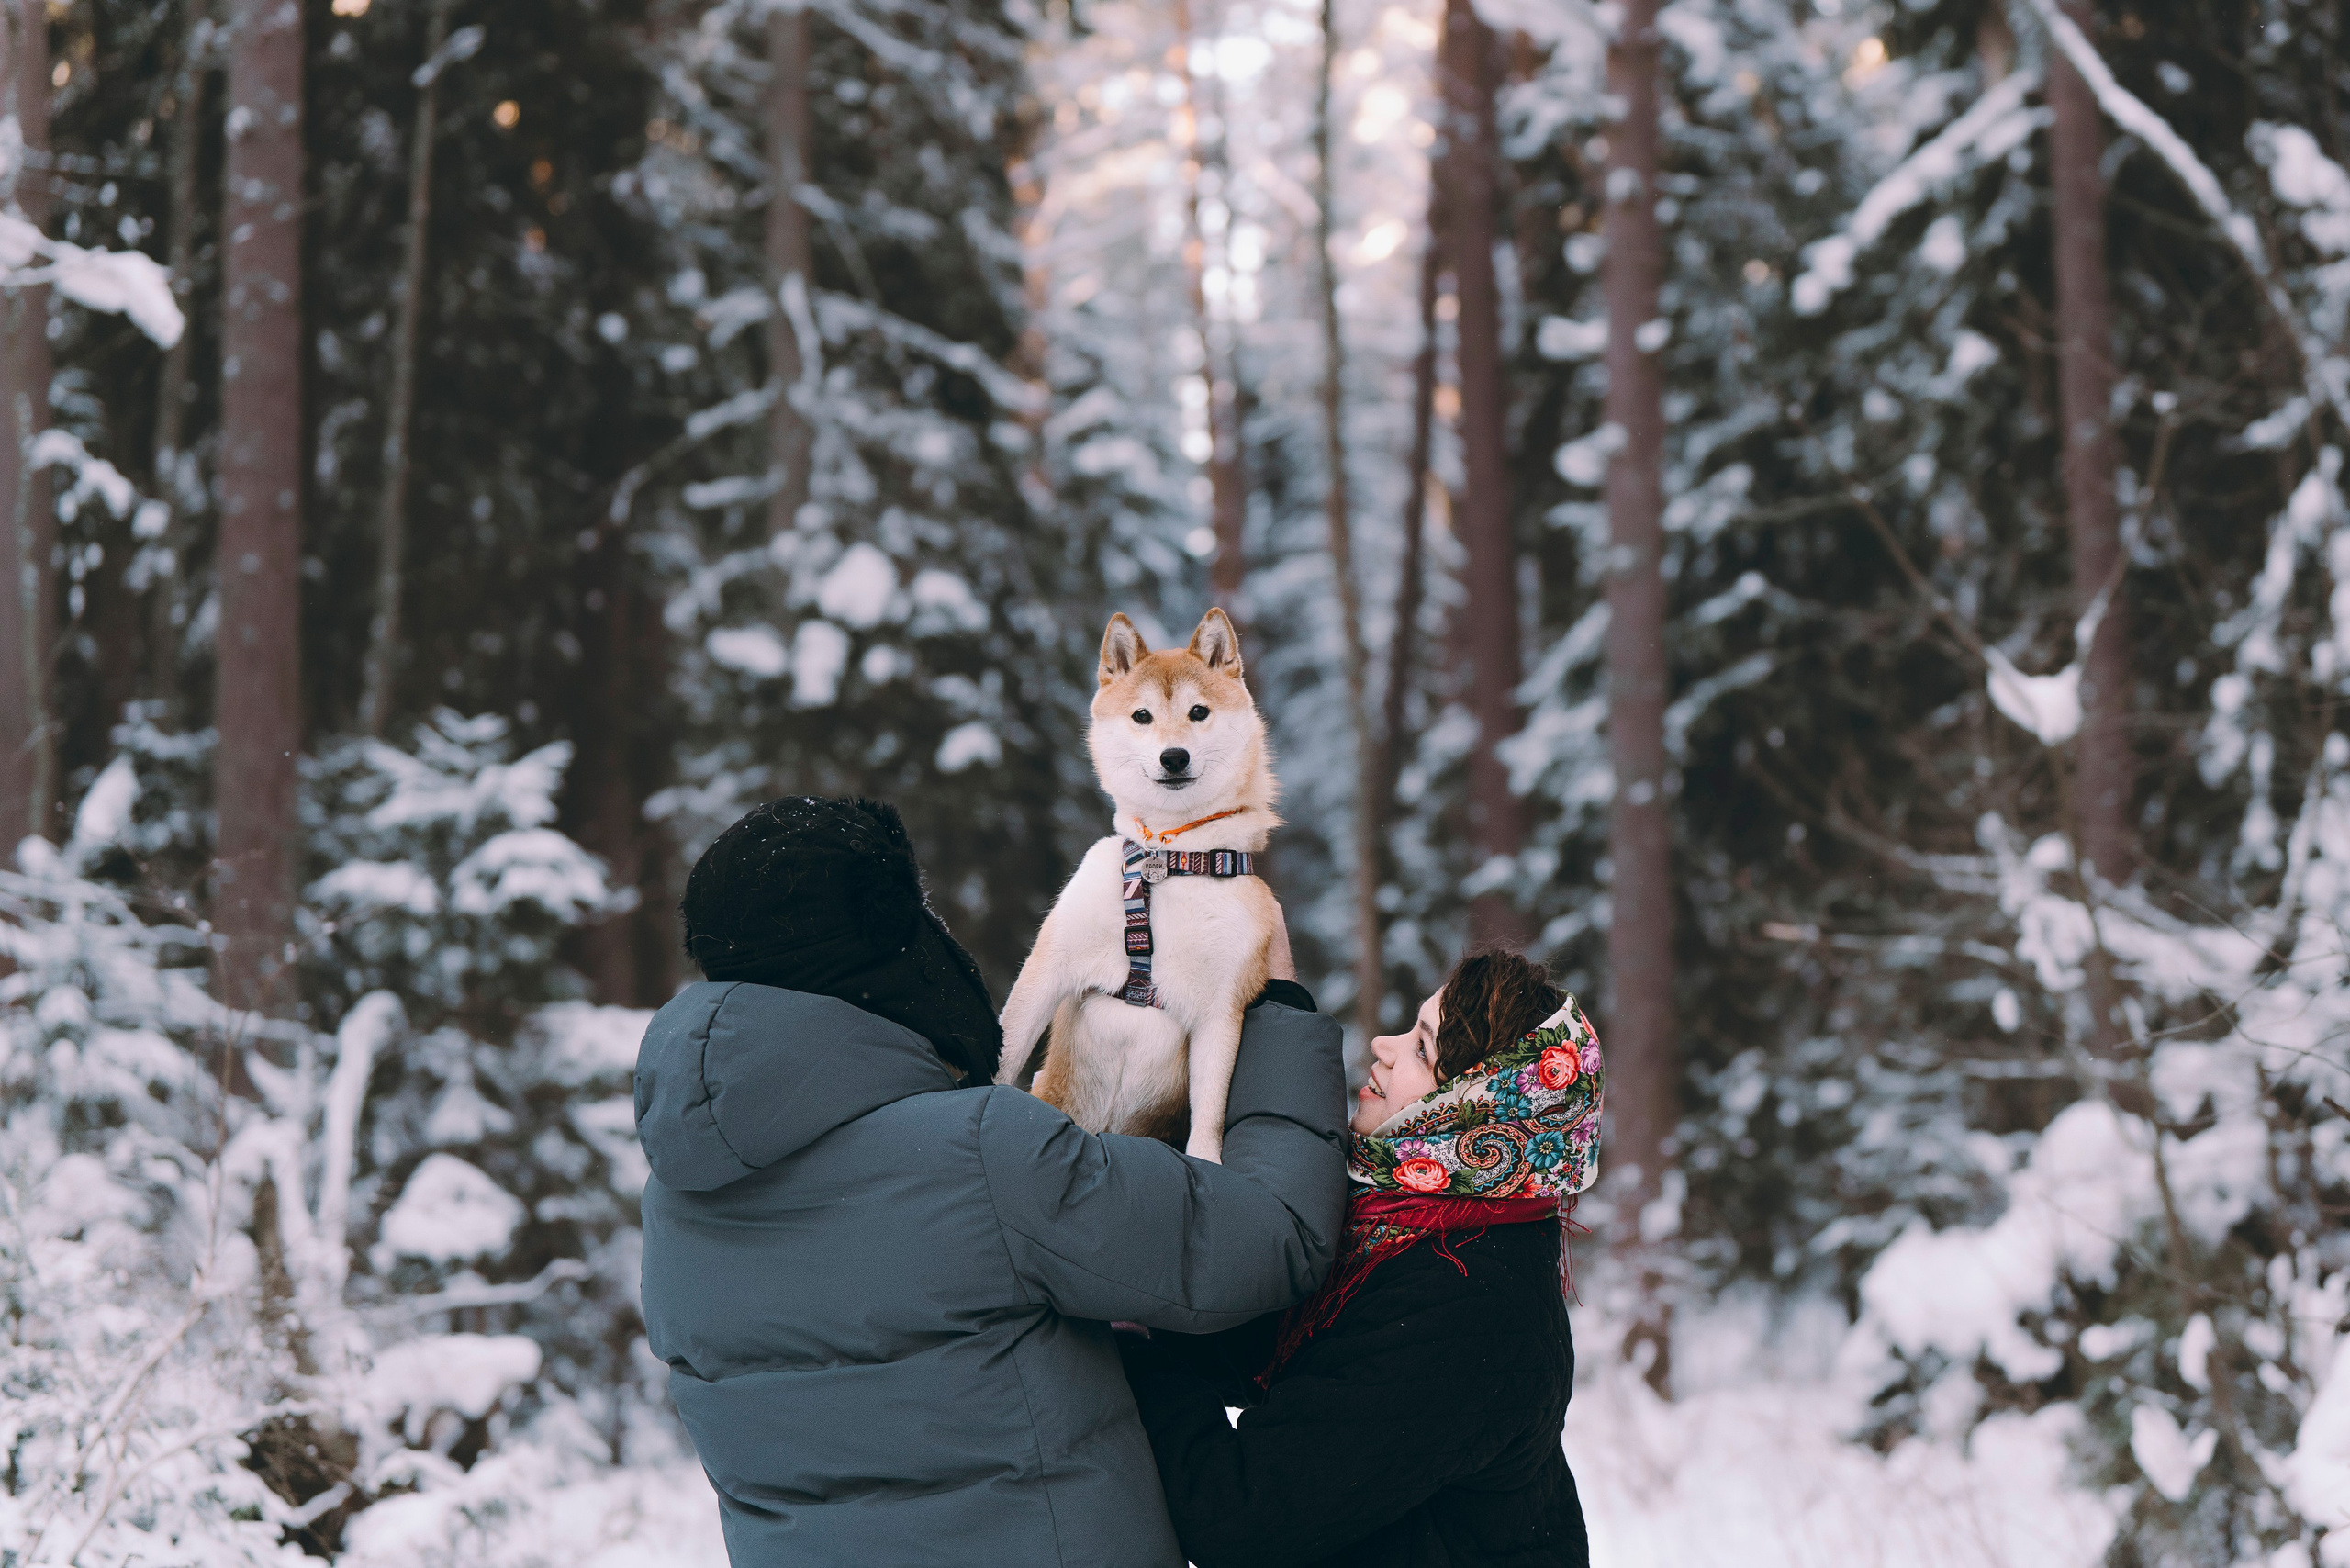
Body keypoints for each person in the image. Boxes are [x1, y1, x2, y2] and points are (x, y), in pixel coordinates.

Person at [631, 796, 1347, 1567]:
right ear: (889, 950)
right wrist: (1271, 1005)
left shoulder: (677, 1201)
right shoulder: (982, 1156)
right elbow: (1271, 1238)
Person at [1118, 949, 1603, 1568]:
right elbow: (1265, 1341)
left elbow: (1238, 1515)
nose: (1383, 1045)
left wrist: (1132, 1349)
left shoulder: (1469, 1307)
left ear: (1477, 1111)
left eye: (1424, 1051)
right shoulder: (1412, 1234)